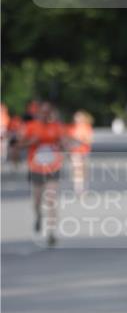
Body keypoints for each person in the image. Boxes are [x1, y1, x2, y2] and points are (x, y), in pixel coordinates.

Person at [17, 101, 70, 246]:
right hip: (36, 168)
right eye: (43, 113)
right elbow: (18, 144)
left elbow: (65, 143)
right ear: (38, 113)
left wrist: (65, 147)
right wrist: (32, 142)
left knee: (51, 200)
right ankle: (38, 215)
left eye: (48, 113)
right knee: (37, 201)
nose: (45, 116)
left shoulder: (57, 127)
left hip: (53, 168)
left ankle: (52, 232)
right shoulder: (30, 127)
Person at [67, 110, 94, 195]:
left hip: (84, 151)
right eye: (76, 117)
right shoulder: (71, 128)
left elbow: (90, 140)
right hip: (75, 152)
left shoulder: (87, 127)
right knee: (77, 170)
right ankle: (78, 188)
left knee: (84, 170)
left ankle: (84, 186)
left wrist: (80, 139)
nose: (78, 119)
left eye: (80, 117)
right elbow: (67, 141)